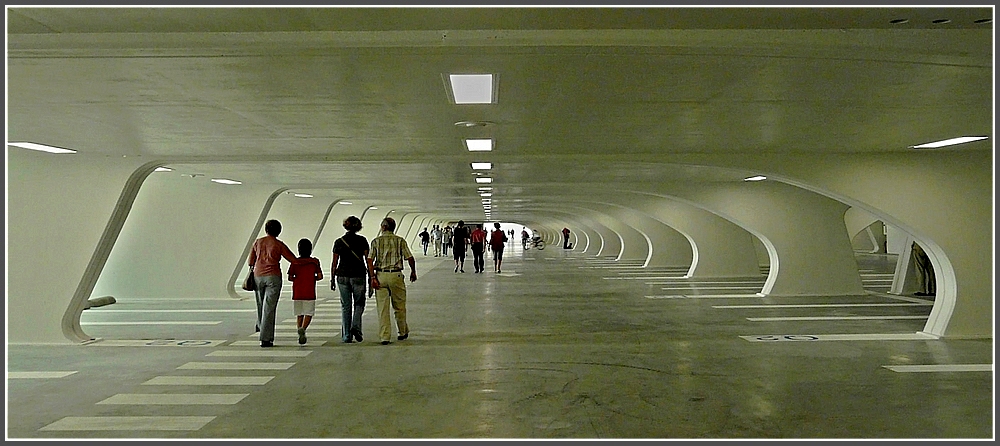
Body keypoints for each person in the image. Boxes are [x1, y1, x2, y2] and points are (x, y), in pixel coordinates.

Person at [248, 219, 300, 348]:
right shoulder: (278, 244)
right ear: (279, 231)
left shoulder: (258, 242)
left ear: (266, 229)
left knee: (260, 305)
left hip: (258, 276)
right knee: (269, 308)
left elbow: (250, 261)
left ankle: (261, 325)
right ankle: (266, 338)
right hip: (273, 277)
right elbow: (292, 259)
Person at [368, 217, 417, 345]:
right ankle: (402, 332)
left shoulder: (375, 241)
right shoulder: (400, 241)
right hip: (396, 276)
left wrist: (372, 277)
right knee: (399, 306)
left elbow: (369, 260)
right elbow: (410, 258)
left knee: (382, 308)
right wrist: (413, 271)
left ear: (383, 227)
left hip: (380, 276)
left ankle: (385, 337)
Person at [331, 215, 370, 343]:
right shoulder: (362, 240)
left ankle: (346, 335)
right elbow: (367, 259)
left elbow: (334, 262)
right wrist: (371, 276)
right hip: (358, 275)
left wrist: (332, 279)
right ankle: (356, 326)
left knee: (345, 306)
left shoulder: (339, 241)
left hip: (342, 275)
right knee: (359, 303)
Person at [287, 238, 323, 345]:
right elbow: (320, 276)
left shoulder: (295, 262)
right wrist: (312, 279)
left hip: (297, 291)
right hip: (309, 291)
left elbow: (290, 277)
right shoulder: (314, 262)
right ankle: (303, 328)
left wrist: (297, 279)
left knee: (299, 313)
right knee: (309, 312)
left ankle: (299, 329)